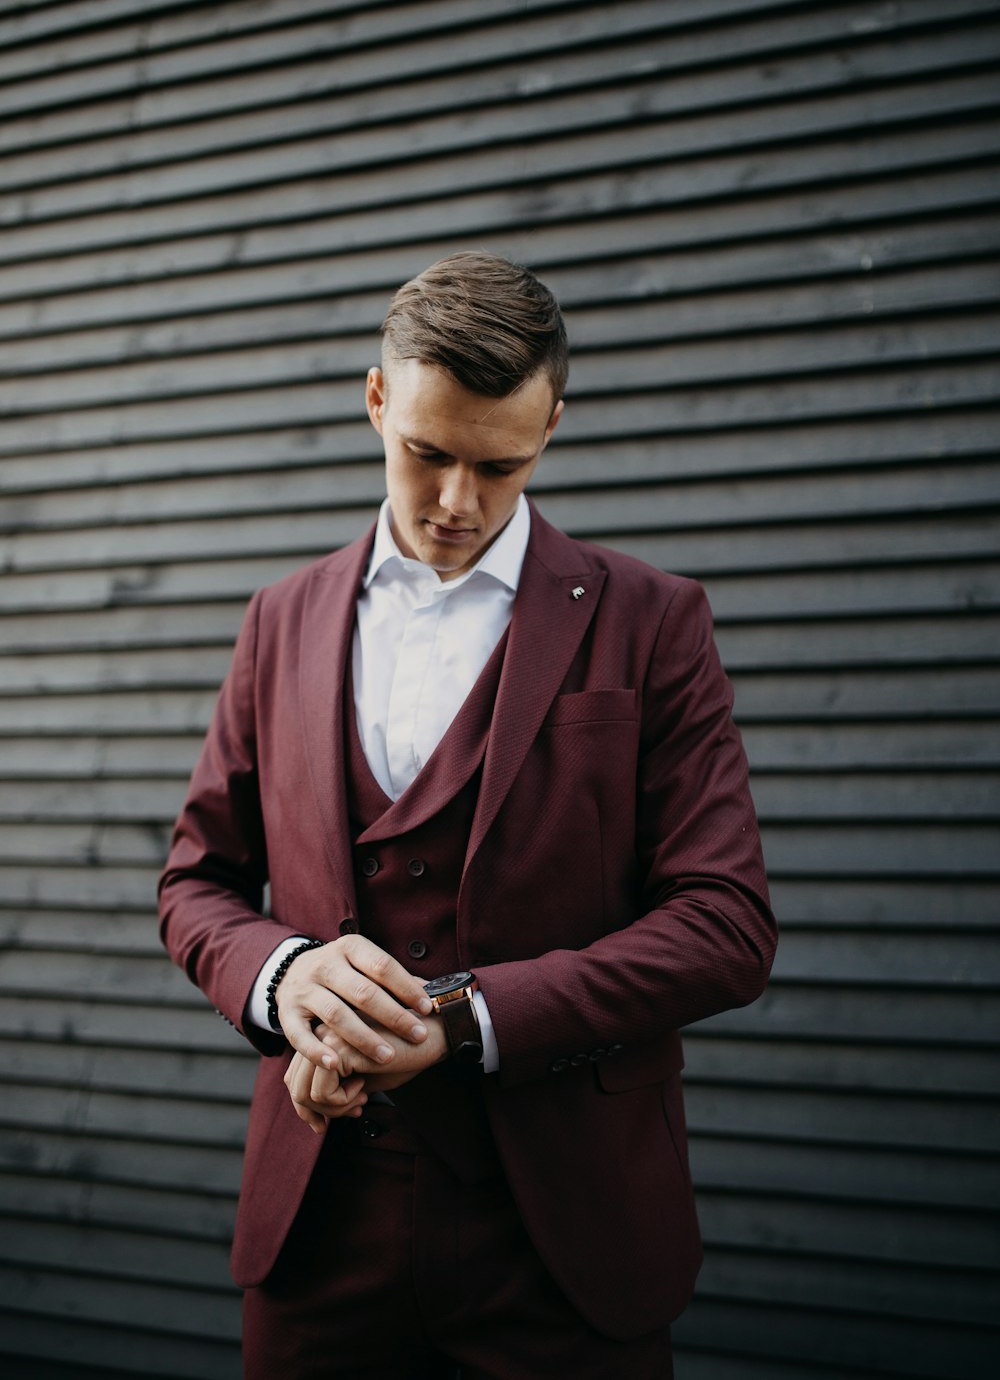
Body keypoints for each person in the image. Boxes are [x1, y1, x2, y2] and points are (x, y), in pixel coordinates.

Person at [158, 251, 777, 1379]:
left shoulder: (654, 622)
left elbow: (726, 925)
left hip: (565, 1240)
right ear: (376, 398)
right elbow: (195, 882)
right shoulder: (279, 619)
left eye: (501, 464)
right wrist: (284, 975)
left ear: (552, 423)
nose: (457, 502)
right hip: (318, 1230)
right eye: (426, 455)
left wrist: (462, 1016)